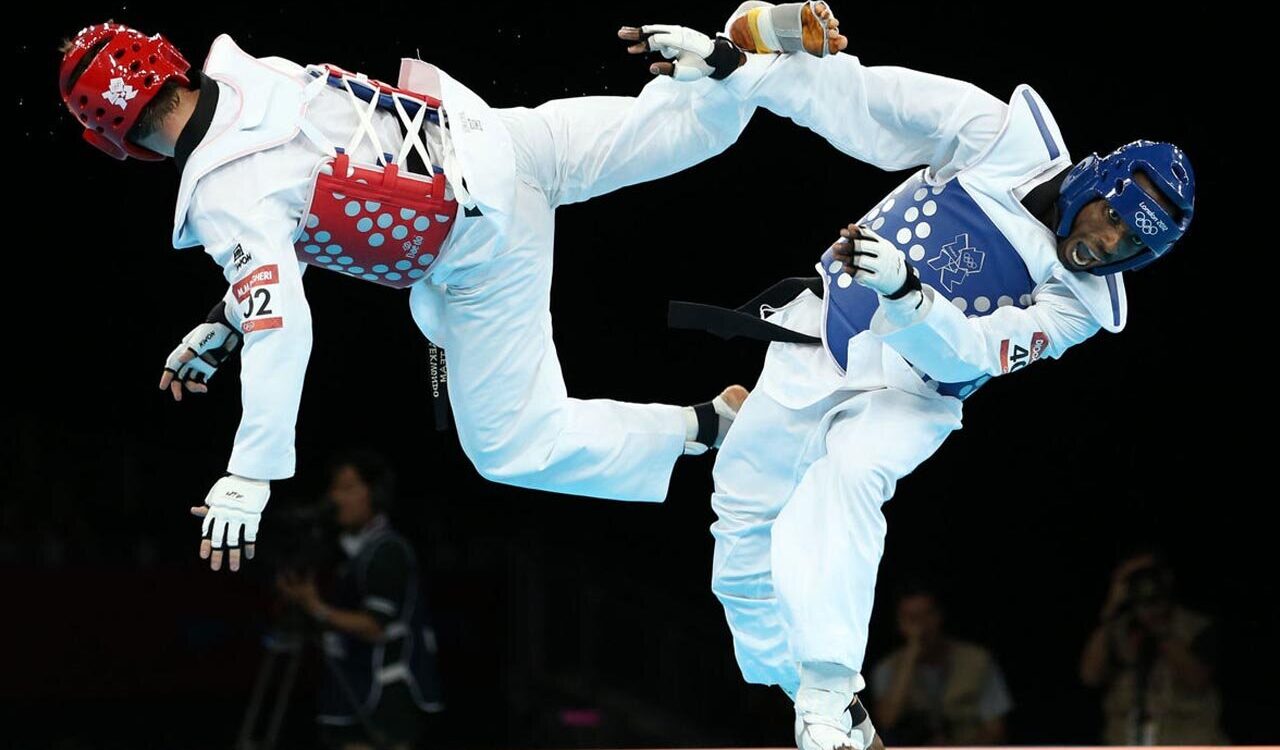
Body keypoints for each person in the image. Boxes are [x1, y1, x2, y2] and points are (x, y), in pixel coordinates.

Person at [625, 3, 1195, 748]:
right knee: (739, 522)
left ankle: (829, 692)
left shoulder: (1081, 304)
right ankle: (810, 696)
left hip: (914, 394)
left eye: (1129, 248)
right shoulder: (1002, 136)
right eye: (1112, 220)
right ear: (1098, 182)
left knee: (849, 477)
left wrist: (908, 294)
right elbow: (861, 100)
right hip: (829, 327)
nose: (1108, 245)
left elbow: (974, 354)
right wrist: (736, 67)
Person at [58, 21, 758, 573]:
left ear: (115, 136)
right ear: (169, 62)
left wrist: (251, 473)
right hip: (499, 135)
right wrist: (230, 317)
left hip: (485, 246)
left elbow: (283, 322)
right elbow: (301, 194)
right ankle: (735, 61)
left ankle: (706, 425)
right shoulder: (255, 73)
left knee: (512, 445)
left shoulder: (222, 196)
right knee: (689, 125)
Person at [278, 450, 444, 750]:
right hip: (353, 688)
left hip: (385, 697)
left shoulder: (387, 551)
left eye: (348, 488)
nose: (335, 498)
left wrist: (316, 607)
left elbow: (375, 626)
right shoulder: (347, 551)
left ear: (375, 493)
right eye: (334, 488)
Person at [1079, 551, 1226, 745]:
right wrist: (1110, 611)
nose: (1143, 582)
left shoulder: (1195, 626)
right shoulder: (1115, 629)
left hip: (1187, 739)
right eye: (1133, 578)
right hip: (1126, 739)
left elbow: (1197, 679)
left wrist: (1158, 625)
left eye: (1148, 574)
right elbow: (1090, 676)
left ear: (1166, 577)